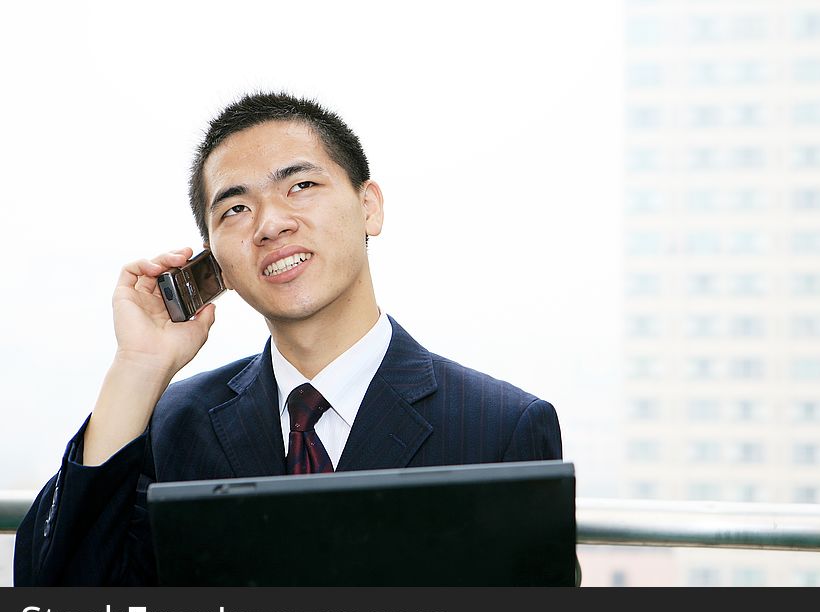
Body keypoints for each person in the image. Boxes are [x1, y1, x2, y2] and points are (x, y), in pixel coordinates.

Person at [14, 92, 563, 585]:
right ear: (214, 261)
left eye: (301, 186)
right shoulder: (171, 426)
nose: (270, 224)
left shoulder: (502, 428)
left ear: (368, 205)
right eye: (235, 209)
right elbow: (57, 604)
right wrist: (138, 367)